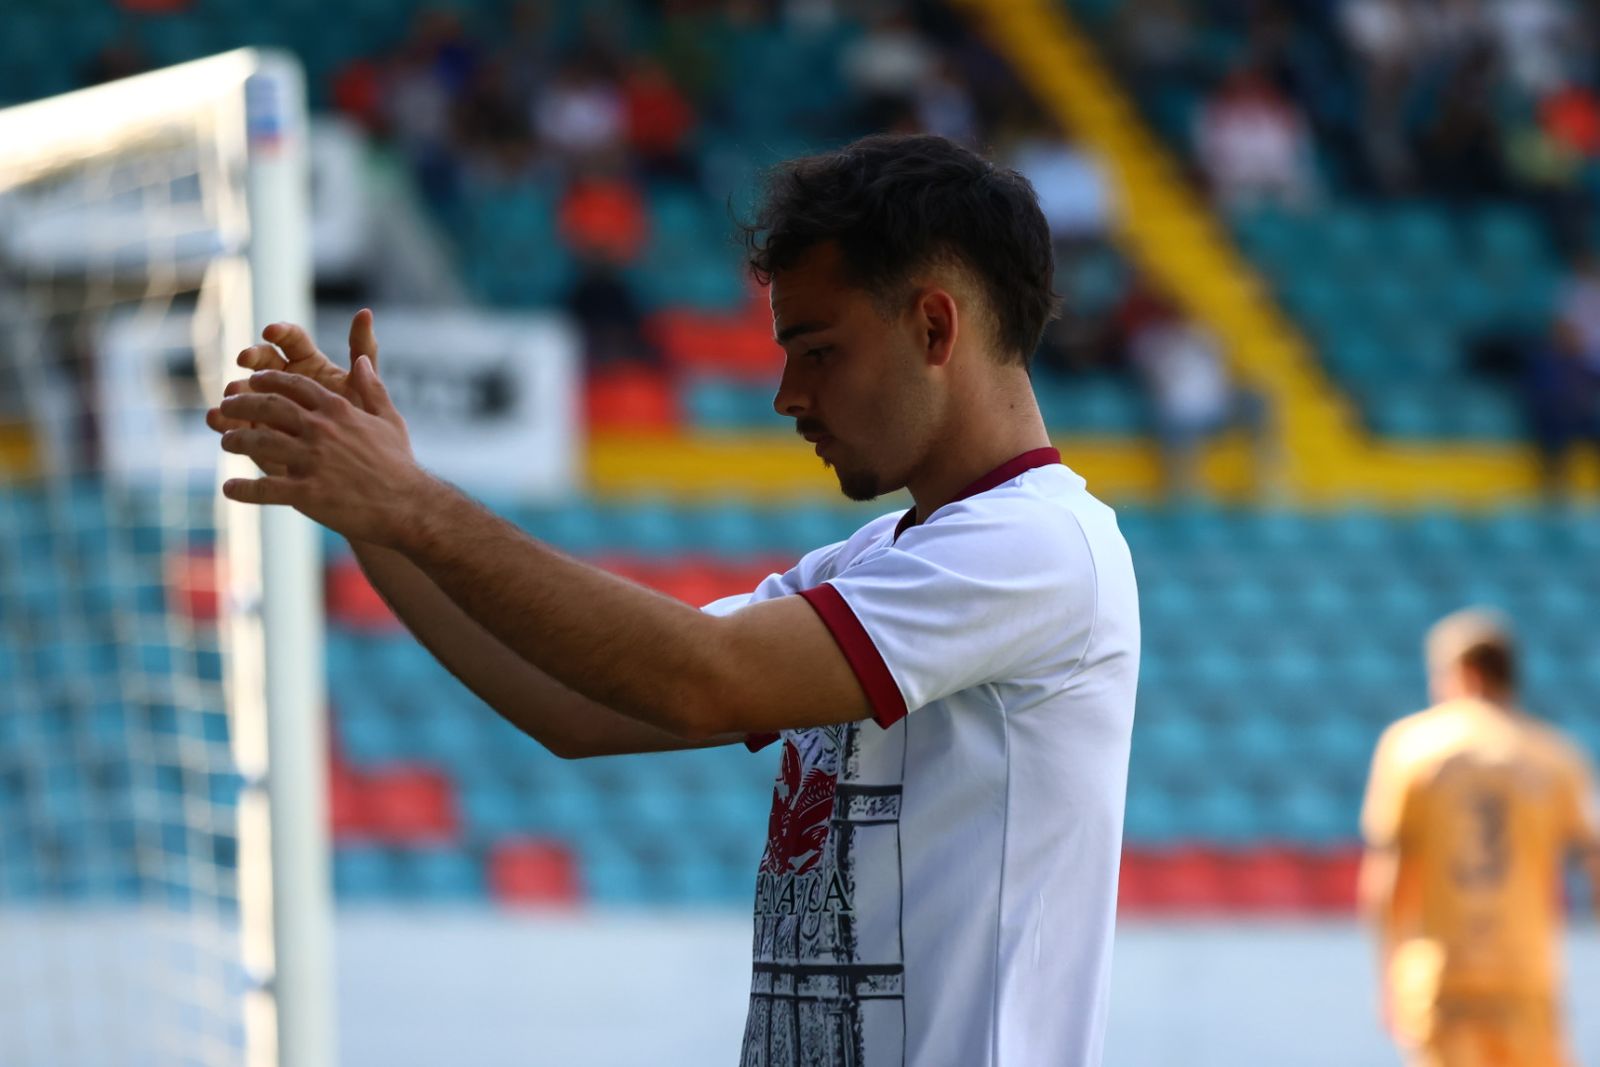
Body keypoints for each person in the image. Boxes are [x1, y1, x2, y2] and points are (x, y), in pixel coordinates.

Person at [206, 134, 1140, 1067]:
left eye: (817, 350)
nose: (786, 395)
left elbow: (703, 677)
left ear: (936, 328)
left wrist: (415, 503)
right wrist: (380, 514)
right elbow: (579, 707)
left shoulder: (1040, 546)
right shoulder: (871, 561)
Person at [1359, 609, 1600, 1067]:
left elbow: (1387, 873)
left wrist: (1388, 971)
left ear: (1462, 674)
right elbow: (1594, 861)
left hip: (1444, 977)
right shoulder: (1556, 756)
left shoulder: (1412, 747)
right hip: (1525, 976)